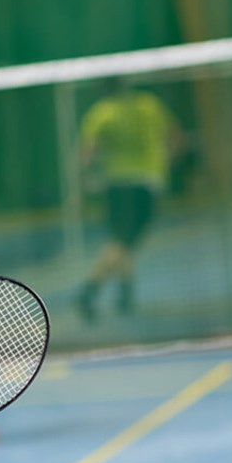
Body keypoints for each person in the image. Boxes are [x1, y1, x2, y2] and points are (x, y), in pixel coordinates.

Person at [76, 78, 183, 321]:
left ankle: (125, 294)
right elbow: (176, 139)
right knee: (123, 242)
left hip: (114, 186)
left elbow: (87, 152)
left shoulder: (100, 113)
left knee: (122, 240)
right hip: (146, 182)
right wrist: (164, 163)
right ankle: (90, 290)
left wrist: (84, 182)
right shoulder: (149, 105)